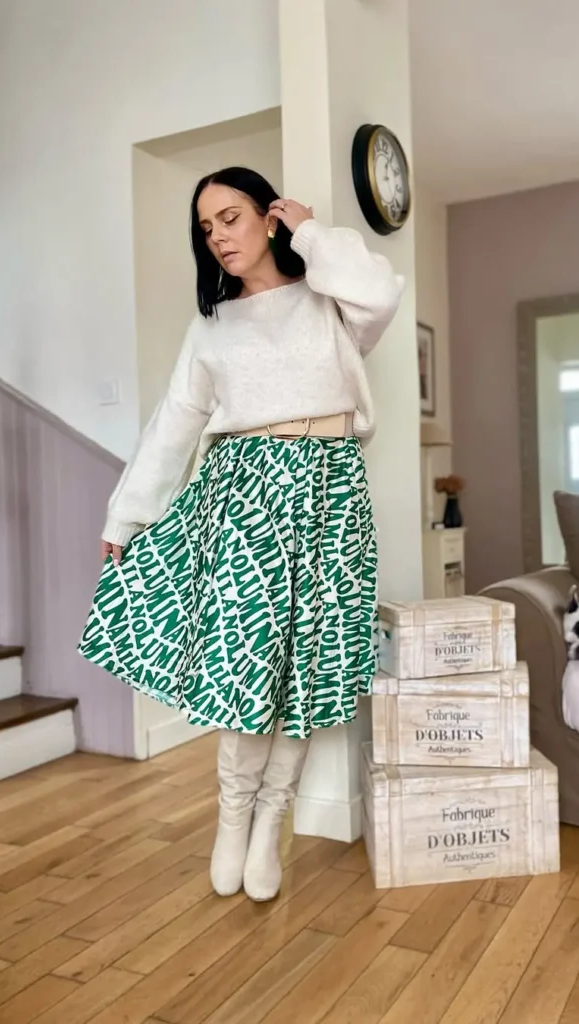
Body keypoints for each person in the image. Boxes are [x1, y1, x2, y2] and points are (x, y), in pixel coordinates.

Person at [78, 166, 404, 902]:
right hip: (242, 494)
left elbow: (381, 289)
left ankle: (269, 829)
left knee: (304, 666)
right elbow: (173, 424)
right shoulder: (213, 325)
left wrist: (313, 230)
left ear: (268, 217)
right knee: (245, 658)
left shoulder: (330, 303)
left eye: (229, 217)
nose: (218, 236)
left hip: (329, 492)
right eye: (205, 228)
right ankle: (231, 819)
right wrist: (125, 515)